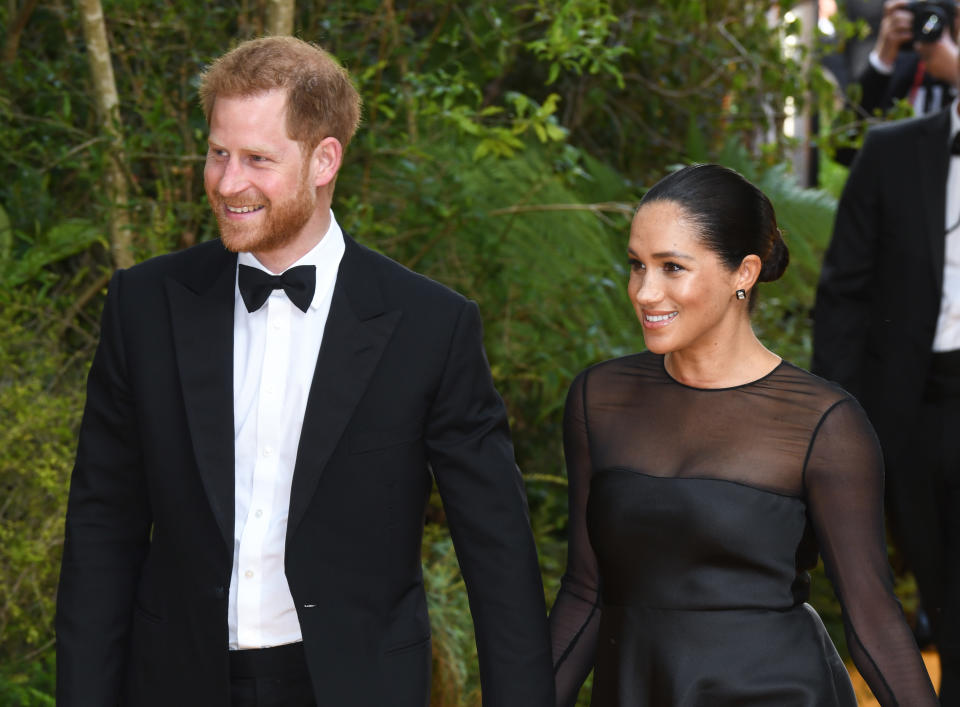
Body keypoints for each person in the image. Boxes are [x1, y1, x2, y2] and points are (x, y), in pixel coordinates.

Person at [55, 36, 554, 707]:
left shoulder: (431, 326)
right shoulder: (142, 307)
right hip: (173, 679)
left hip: (356, 685)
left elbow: (497, 555)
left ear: (325, 159)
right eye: (218, 153)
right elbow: (101, 531)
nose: (228, 182)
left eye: (258, 159)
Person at [548, 164, 939, 706]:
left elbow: (873, 619)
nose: (644, 291)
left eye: (672, 267)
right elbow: (585, 592)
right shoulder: (599, 399)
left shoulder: (823, 423)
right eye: (637, 265)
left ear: (744, 273)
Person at [814, 65, 960, 702]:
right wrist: (832, 426)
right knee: (942, 591)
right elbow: (843, 295)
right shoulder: (893, 151)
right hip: (916, 406)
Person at [856, 0, 959, 119]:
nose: (931, 21)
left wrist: (955, 74)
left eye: (947, 9)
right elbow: (855, 125)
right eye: (925, 8)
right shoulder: (903, 54)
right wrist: (882, 61)